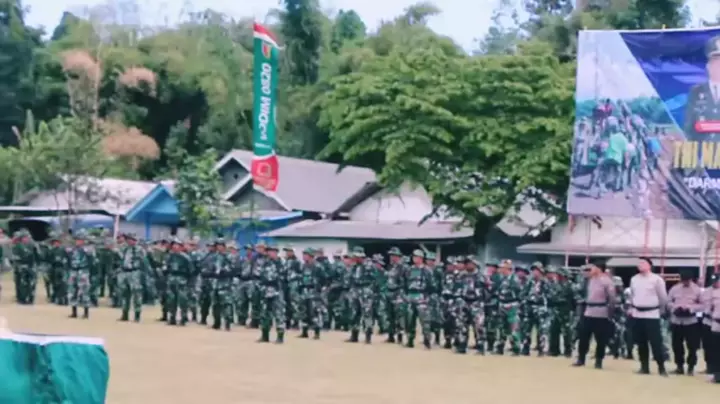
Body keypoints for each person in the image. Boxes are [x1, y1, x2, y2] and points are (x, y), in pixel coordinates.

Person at [628, 257, 668, 376]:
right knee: (641, 342)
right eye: (639, 263)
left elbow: (663, 297)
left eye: (643, 263)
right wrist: (631, 308)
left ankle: (661, 367)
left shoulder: (657, 279)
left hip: (652, 314)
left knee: (656, 342)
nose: (640, 265)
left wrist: (662, 311)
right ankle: (644, 367)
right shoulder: (634, 279)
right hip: (637, 314)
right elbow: (632, 295)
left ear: (649, 265)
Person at [573, 259, 615, 369]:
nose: (590, 270)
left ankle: (599, 360)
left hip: (601, 312)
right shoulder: (590, 280)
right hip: (588, 311)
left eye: (592, 268)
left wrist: (610, 313)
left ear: (598, 269)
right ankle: (581, 358)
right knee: (583, 336)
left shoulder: (607, 281)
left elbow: (612, 298)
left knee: (600, 339)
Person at [684, 35, 720, 142]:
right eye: (715, 61)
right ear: (708, 65)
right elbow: (689, 127)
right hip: (702, 150)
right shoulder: (696, 91)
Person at [667, 269, 702, 375]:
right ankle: (679, 367)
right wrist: (674, 308)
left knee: (692, 346)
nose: (685, 282)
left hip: (691, 322)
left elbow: (703, 305)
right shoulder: (674, 289)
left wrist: (691, 309)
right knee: (676, 345)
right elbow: (668, 302)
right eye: (683, 280)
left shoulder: (697, 290)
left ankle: (691, 367)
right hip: (677, 321)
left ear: (691, 279)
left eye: (687, 280)